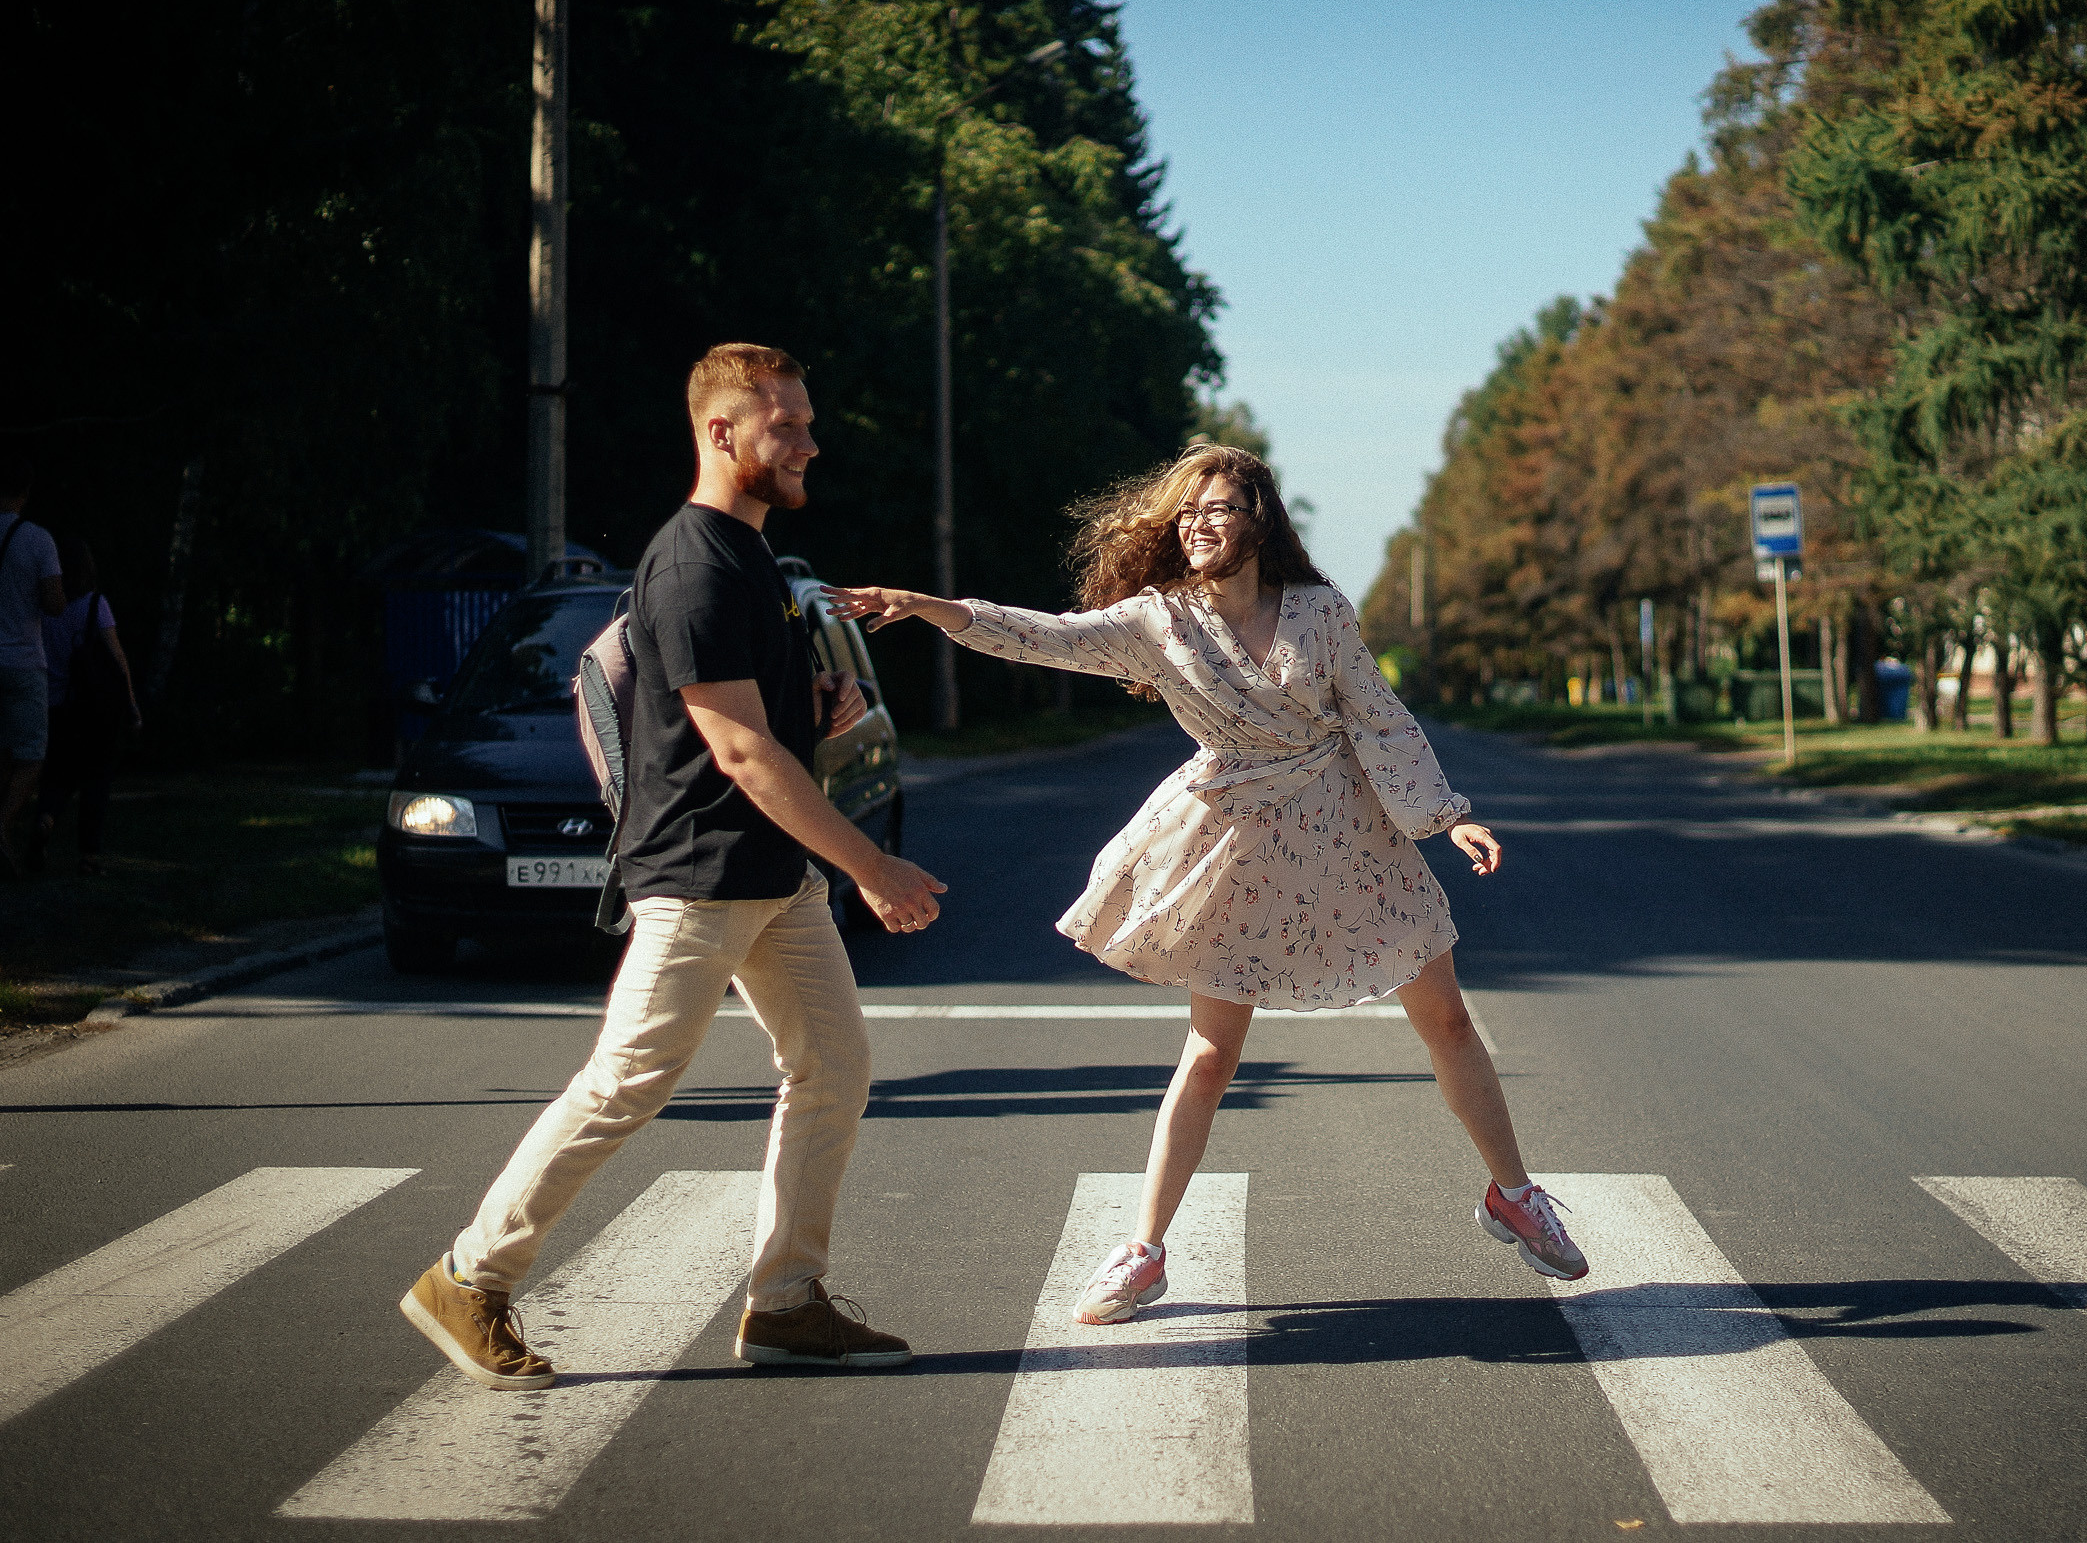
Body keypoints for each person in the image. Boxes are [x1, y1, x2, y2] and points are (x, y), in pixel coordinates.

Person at [829, 443, 1586, 1326]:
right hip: (1238, 844)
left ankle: (1513, 1194)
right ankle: (1143, 1251)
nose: (1196, 524)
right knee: (1211, 1052)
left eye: (1216, 508)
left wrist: (1448, 816)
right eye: (1186, 512)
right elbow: (1048, 636)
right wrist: (934, 608)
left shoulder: (1319, 612)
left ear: (1258, 519)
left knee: (1448, 1019)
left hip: (1352, 833)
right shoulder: (1160, 620)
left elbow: (1380, 718)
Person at [401, 343, 948, 1390]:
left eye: (807, 421)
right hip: (700, 873)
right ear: (721, 431)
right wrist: (871, 864)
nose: (810, 442)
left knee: (833, 1069)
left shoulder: (752, 561)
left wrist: (818, 704)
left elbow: (752, 721)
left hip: (772, 874)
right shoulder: (695, 563)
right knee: (625, 1082)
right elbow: (737, 752)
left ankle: (786, 1303)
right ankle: (469, 1278)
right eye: (787, 425)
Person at [36, 536, 142, 877]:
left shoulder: (46, 608)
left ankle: (45, 818)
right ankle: (89, 857)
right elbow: (117, 657)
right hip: (92, 709)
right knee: (96, 779)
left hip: (55, 704)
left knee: (58, 775)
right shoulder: (95, 604)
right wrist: (131, 705)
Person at [0, 444, 67, 881]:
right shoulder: (39, 539)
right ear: (25, 492)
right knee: (30, 756)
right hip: (24, 661)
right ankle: (2, 822)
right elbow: (55, 603)